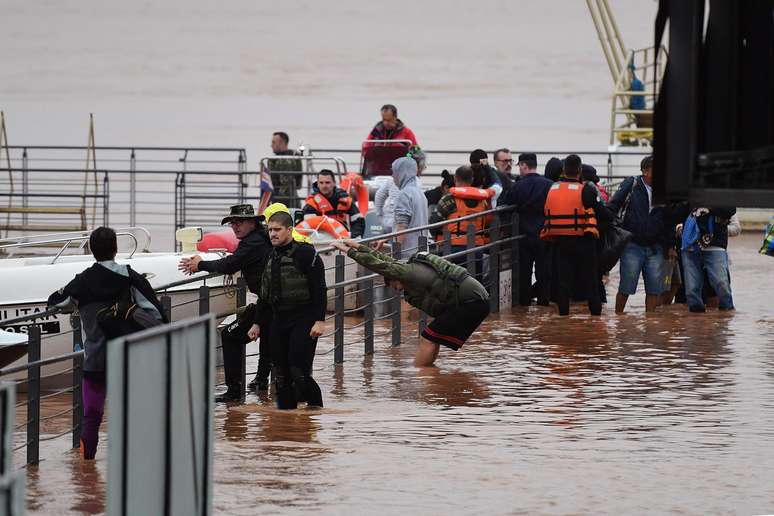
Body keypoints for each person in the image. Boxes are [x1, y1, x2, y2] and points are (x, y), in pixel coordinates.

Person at [47, 227, 167, 459]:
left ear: (91, 250)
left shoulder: (81, 282)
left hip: (96, 359)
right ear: (115, 248)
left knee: (91, 416)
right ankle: (135, 463)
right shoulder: (130, 277)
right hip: (130, 358)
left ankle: (87, 468)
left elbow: (55, 302)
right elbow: (157, 314)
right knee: (135, 411)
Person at [330, 239, 490, 367]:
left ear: (395, 278)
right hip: (475, 300)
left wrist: (347, 251)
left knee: (429, 337)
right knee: (433, 336)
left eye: (394, 286)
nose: (396, 290)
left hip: (471, 302)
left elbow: (379, 265)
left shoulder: (407, 273)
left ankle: (421, 373)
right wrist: (357, 245)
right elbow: (387, 260)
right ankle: (430, 376)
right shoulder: (408, 269)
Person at [178, 204, 273, 401]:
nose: (235, 227)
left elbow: (230, 265)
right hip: (269, 303)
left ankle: (234, 392)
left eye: (239, 222)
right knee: (267, 340)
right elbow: (237, 261)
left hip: (267, 304)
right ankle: (262, 383)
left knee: (230, 335)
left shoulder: (252, 243)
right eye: (232, 223)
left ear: (252, 222)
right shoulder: (262, 238)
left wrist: (200, 265)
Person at [251, 211, 327, 409]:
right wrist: (257, 323)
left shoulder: (306, 253)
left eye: (277, 230)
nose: (273, 234)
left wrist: (320, 320)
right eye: (270, 230)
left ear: (290, 230)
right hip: (278, 320)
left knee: (299, 373)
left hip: (304, 319)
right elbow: (264, 293)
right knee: (282, 376)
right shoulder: (270, 255)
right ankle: (286, 422)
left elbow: (319, 288)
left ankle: (316, 413)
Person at [540, 155, 611, 316]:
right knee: (591, 282)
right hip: (584, 242)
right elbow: (605, 214)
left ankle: (563, 318)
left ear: (563, 170)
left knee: (563, 283)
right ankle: (595, 320)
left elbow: (545, 212)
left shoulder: (552, 188)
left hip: (560, 242)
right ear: (579, 171)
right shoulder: (586, 190)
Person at [607, 155, 671, 313]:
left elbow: (669, 219)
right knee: (626, 287)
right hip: (632, 245)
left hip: (656, 246)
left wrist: (670, 246)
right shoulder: (632, 184)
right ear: (645, 171)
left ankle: (650, 324)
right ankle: (619, 319)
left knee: (654, 290)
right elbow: (613, 206)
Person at [501, 153, 554, 305]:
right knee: (544, 271)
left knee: (524, 272)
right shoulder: (549, 185)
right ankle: (543, 301)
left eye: (520, 166)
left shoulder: (517, 186)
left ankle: (524, 303)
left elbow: (504, 206)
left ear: (524, 165)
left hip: (523, 235)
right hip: (545, 234)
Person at [429, 165, 492, 278]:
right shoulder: (483, 201)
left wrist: (438, 237)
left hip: (452, 249)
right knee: (475, 284)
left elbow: (433, 223)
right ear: (472, 179)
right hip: (476, 249)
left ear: (455, 179)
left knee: (451, 283)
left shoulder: (449, 199)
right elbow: (488, 222)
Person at [678, 206, 736, 312]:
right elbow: (675, 209)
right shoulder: (685, 192)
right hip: (690, 244)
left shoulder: (723, 193)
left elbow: (731, 210)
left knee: (721, 283)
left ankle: (727, 313)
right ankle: (696, 319)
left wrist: (707, 206)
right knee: (692, 290)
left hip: (716, 244)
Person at [375, 146, 427, 233]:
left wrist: (380, 215)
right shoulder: (415, 184)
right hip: (402, 224)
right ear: (418, 167)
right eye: (424, 166)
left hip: (387, 221)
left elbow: (379, 195)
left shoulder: (392, 179)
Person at [301, 169, 365, 237]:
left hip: (344, 239)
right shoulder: (312, 203)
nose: (324, 186)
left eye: (327, 182)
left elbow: (358, 221)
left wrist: (353, 236)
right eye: (321, 183)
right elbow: (309, 228)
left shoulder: (345, 200)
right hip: (322, 240)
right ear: (317, 184)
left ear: (334, 183)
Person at [268, 131, 303, 208]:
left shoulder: (291, 158)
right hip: (286, 199)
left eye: (274, 142)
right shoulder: (294, 157)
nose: (271, 145)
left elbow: (298, 182)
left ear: (282, 143)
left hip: (285, 200)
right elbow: (298, 184)